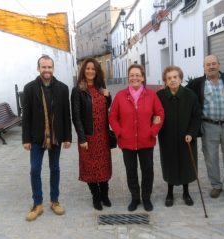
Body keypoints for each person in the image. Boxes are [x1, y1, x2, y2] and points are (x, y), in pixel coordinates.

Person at [22, 55, 72, 221]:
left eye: (49, 67)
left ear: (53, 68)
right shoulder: (29, 88)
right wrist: (26, 139)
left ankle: (55, 201)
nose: (46, 70)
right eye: (43, 67)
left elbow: (66, 114)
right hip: (37, 137)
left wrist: (68, 137)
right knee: (35, 169)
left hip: (56, 136)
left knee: (55, 168)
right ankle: (38, 204)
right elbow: (26, 115)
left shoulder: (63, 88)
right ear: (38, 69)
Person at [109, 64, 164, 212]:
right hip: (127, 142)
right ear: (128, 78)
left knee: (148, 170)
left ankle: (146, 198)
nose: (135, 77)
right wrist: (119, 132)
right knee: (131, 171)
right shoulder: (120, 95)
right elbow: (112, 116)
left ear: (143, 77)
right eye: (132, 75)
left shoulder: (151, 95)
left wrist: (152, 131)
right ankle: (135, 198)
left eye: (138, 75)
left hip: (146, 141)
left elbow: (159, 114)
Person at [187, 55, 224, 199]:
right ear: (203, 67)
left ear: (219, 65)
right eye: (208, 64)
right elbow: (183, 94)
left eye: (214, 64)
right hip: (208, 125)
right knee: (211, 157)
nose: (211, 67)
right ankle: (216, 185)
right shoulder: (196, 83)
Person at [71, 58, 113, 211]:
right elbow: (76, 116)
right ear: (84, 70)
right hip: (88, 137)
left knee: (103, 166)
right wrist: (81, 138)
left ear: (97, 72)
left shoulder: (101, 87)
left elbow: (109, 107)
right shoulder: (78, 90)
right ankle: (96, 196)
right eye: (87, 68)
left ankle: (105, 195)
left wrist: (108, 96)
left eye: (93, 69)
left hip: (102, 137)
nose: (90, 71)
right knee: (90, 168)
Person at [157, 66, 201, 207]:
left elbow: (196, 117)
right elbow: (154, 113)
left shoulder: (190, 95)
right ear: (165, 80)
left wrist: (191, 133)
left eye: (175, 77)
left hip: (186, 138)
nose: (173, 80)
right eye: (169, 78)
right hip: (167, 138)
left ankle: (186, 192)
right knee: (170, 165)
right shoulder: (160, 96)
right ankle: (169, 193)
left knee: (186, 164)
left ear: (180, 78)